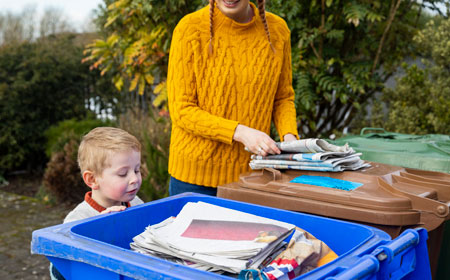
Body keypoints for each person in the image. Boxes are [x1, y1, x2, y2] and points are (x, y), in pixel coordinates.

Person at [167, 0, 299, 196]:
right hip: (194, 180)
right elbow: (182, 110)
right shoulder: (189, 29)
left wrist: (289, 139)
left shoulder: (277, 31)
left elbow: (282, 98)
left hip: (252, 177)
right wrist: (240, 132)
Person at [50, 127, 144, 280]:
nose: (134, 178)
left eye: (137, 170)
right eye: (123, 173)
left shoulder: (136, 203)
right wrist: (98, 227)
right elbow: (62, 269)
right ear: (92, 180)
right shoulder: (76, 221)